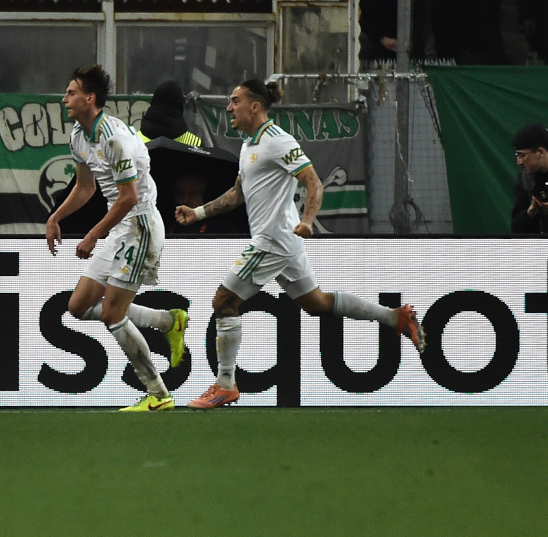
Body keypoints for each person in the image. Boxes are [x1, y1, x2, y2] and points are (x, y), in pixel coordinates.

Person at [177, 79, 424, 408]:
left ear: (255, 106)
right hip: (283, 242)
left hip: (273, 240)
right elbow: (238, 193)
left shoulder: (278, 140)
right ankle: (396, 317)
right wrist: (198, 212)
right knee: (317, 303)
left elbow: (313, 182)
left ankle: (225, 385)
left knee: (224, 301)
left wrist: (307, 221)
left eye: (235, 100)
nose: (229, 107)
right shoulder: (250, 144)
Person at [46, 64, 189, 413]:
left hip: (139, 225)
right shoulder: (79, 136)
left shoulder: (114, 138)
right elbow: (85, 187)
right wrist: (55, 217)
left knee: (112, 314)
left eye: (71, 92)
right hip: (120, 227)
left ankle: (158, 393)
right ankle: (168, 322)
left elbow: (128, 199)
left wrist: (94, 234)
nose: (65, 98)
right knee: (78, 307)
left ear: (89, 98)